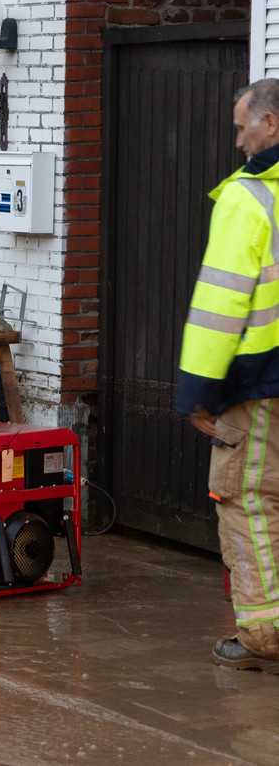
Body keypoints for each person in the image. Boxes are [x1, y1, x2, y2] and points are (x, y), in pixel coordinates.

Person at [178, 77, 279, 674]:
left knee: (248, 498)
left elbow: (221, 307)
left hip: (261, 384)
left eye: (243, 127)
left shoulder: (250, 197)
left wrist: (198, 391)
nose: (238, 141)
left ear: (270, 124)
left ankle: (264, 631)